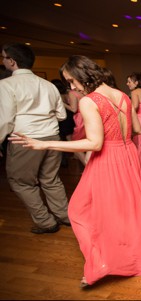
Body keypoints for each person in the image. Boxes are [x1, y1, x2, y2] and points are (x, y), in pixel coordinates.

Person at [10, 55, 141, 288]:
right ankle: (129, 259)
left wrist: (44, 144)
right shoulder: (121, 94)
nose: (72, 87)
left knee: (79, 210)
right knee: (125, 210)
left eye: (71, 81)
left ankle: (102, 263)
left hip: (108, 158)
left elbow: (95, 143)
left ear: (82, 75)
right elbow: (136, 130)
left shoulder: (90, 101)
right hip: (127, 154)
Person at [0, 43, 70, 234]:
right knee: (51, 179)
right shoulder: (48, 85)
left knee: (21, 182)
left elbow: (5, 120)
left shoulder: (6, 85)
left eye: (4, 57)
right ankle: (65, 216)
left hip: (25, 139)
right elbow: (62, 115)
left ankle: (45, 222)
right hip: (52, 137)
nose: (3, 61)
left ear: (12, 61)